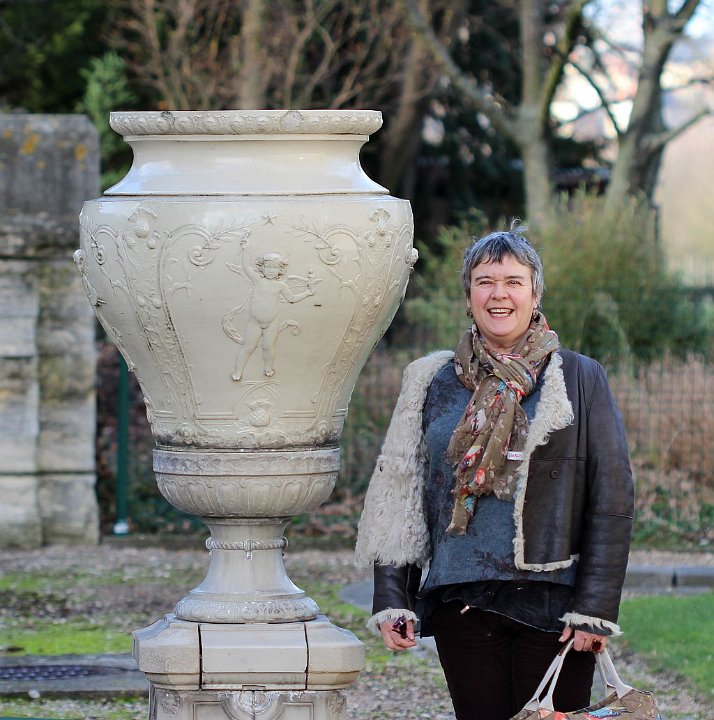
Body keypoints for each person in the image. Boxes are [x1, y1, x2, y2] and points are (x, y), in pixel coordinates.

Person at [355, 224, 634, 720]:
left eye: (513, 281)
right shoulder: (431, 380)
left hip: (554, 603)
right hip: (462, 599)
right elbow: (399, 487)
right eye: (484, 281)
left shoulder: (578, 377)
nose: (498, 294)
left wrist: (595, 608)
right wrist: (394, 595)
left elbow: (611, 498)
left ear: (535, 294)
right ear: (469, 297)